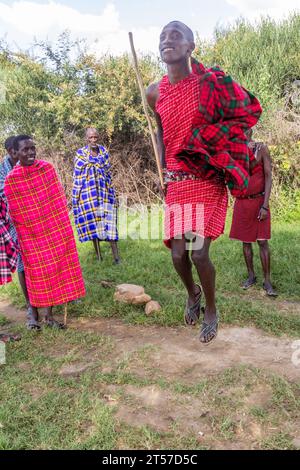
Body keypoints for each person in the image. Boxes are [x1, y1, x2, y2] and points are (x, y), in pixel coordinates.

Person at [146, 21, 262, 344]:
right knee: (177, 256)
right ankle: (193, 292)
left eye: (175, 36)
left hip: (207, 178)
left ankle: (211, 308)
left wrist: (222, 147)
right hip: (177, 181)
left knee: (198, 254)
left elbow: (242, 114)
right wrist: (163, 169)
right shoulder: (154, 92)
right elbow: (159, 132)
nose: (167, 40)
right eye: (162, 36)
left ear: (190, 47)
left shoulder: (210, 83)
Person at [4, 135, 86, 330]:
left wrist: (63, 228)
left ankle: (49, 317)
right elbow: (16, 214)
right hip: (30, 236)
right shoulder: (11, 180)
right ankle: (35, 313)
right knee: (40, 275)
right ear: (16, 153)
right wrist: (28, 233)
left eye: (32, 148)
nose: (31, 152)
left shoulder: (47, 169)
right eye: (25, 150)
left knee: (55, 270)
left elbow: (57, 201)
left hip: (53, 230)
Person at [230, 129, 277, 296]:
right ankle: (251, 276)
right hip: (243, 202)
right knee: (245, 241)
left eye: (246, 129)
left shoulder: (261, 148)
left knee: (263, 242)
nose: (243, 132)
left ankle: (267, 281)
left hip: (259, 201)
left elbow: (269, 176)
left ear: (251, 131)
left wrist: (265, 205)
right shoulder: (235, 152)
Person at [0, 136, 35, 328]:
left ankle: (48, 299)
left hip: (35, 220)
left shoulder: (30, 165)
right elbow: (3, 195)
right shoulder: (3, 171)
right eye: (15, 152)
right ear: (10, 152)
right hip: (13, 223)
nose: (18, 155)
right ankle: (30, 304)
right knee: (22, 264)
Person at [72, 128, 120, 264]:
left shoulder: (103, 152)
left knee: (109, 223)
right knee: (94, 224)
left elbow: (108, 172)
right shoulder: (80, 154)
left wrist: (111, 191)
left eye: (95, 137)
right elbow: (77, 176)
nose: (93, 140)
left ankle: (116, 257)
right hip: (88, 194)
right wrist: (77, 197)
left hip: (104, 192)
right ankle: (99, 256)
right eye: (90, 137)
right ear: (86, 139)